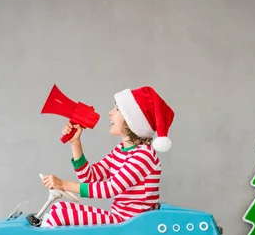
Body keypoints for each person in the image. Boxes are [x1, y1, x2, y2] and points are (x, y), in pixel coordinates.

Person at [40, 86, 174, 227]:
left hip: (132, 224)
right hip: (119, 218)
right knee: (59, 208)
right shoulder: (119, 151)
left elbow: (110, 188)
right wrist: (75, 143)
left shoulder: (144, 156)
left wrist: (63, 184)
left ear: (131, 120)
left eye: (117, 109)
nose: (110, 113)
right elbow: (89, 177)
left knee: (58, 215)